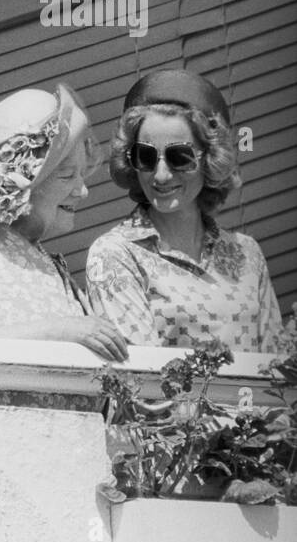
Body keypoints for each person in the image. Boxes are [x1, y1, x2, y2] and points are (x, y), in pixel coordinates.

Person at [0, 84, 128, 363]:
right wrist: (60, 330)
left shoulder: (46, 260)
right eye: (67, 176)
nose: (83, 191)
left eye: (81, 175)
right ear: (22, 184)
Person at [87, 69, 283, 352]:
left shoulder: (247, 253)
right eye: (147, 156)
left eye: (180, 157)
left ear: (210, 158)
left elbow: (276, 367)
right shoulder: (116, 255)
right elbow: (141, 382)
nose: (162, 175)